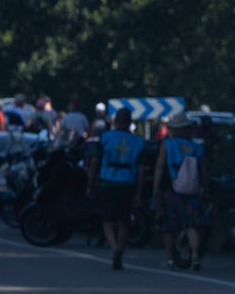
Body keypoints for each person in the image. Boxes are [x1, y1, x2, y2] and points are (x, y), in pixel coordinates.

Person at [87, 106, 145, 270]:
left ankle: (114, 247)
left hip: (108, 183)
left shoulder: (105, 137)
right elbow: (141, 170)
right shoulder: (138, 142)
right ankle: (120, 247)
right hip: (128, 184)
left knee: (107, 220)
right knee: (124, 221)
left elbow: (95, 161)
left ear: (116, 121)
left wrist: (90, 182)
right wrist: (139, 193)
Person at [152, 112, 207, 271]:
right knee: (191, 225)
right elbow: (203, 170)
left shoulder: (168, 144)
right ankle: (195, 256)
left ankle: (170, 259)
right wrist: (205, 188)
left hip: (172, 190)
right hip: (192, 190)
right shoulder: (197, 146)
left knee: (169, 226)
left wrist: (156, 188)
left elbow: (160, 166)